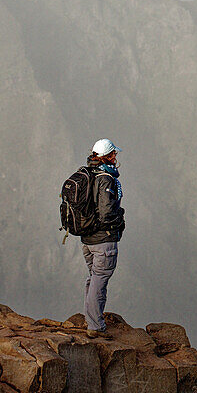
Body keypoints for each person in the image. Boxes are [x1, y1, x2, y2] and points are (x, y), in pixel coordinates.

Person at [81, 138, 125, 337]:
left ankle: (91, 318)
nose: (116, 157)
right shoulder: (105, 178)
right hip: (103, 240)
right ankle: (95, 326)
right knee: (99, 280)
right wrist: (119, 220)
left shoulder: (89, 174)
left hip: (88, 239)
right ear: (107, 156)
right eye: (113, 154)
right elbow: (107, 212)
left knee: (94, 278)